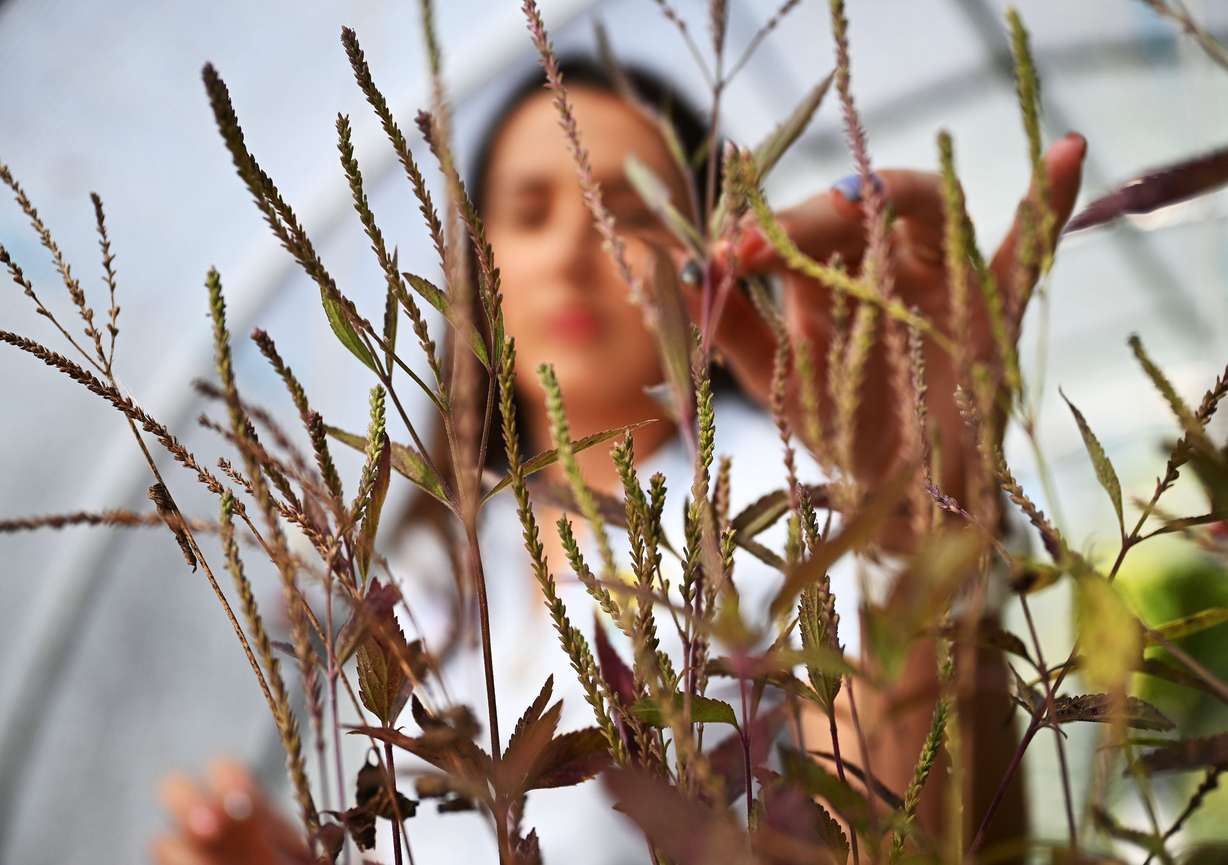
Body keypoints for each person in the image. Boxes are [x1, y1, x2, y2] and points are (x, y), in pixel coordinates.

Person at [151, 53, 1087, 865]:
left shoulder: (784, 502)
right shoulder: (427, 570)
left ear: (716, 259)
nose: (570, 249)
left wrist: (917, 534)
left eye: (626, 212)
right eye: (527, 211)